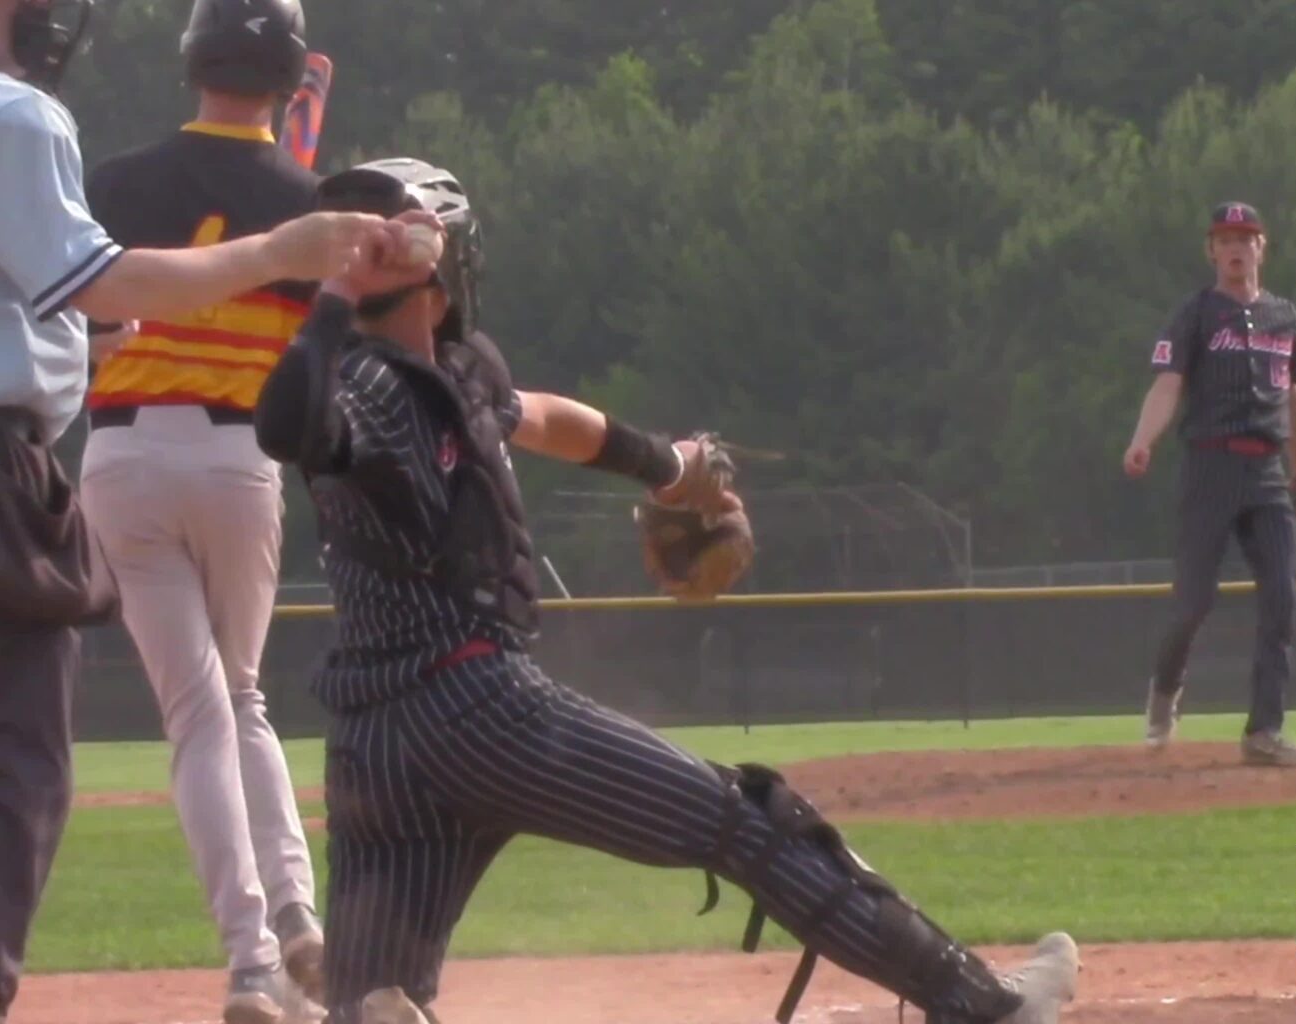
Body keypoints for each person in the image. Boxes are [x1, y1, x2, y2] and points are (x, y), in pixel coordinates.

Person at [251, 157, 1083, 1024]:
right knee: (750, 821)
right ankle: (982, 1005)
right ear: (437, 259)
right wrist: (339, 296)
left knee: (373, 1003)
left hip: (377, 749)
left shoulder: (451, 375)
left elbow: (548, 417)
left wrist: (670, 468)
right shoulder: (371, 384)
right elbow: (287, 426)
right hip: (478, 710)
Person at [0, 1, 397, 1020]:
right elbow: (108, 281)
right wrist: (282, 247)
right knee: (9, 768)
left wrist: (66, 352)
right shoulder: (8, 112)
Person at [78, 2, 323, 1018]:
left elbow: (62, 312)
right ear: (289, 80)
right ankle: (298, 919)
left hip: (124, 454)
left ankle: (253, 962)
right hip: (237, 457)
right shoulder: (308, 202)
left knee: (196, 714)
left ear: (193, 62)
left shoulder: (112, 183)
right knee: (244, 697)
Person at [1122, 201, 1296, 768]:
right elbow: (1168, 384)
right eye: (1225, 239)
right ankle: (1165, 690)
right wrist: (1143, 440)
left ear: (1262, 248)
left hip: (1267, 471)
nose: (1236, 248)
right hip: (1211, 466)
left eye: (1246, 238)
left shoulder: (1284, 317)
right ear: (1211, 251)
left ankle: (1264, 732)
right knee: (1193, 602)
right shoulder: (1196, 313)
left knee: (1282, 596)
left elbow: (1292, 393)